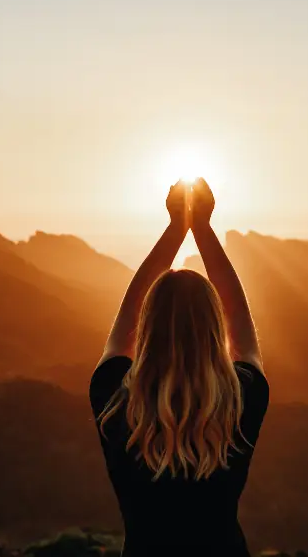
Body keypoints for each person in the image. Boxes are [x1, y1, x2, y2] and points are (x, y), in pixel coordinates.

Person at [89, 178, 269, 557]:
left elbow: (123, 326)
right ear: (213, 327)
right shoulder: (239, 399)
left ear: (148, 327)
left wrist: (175, 227)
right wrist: (201, 228)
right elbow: (243, 331)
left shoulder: (115, 399)